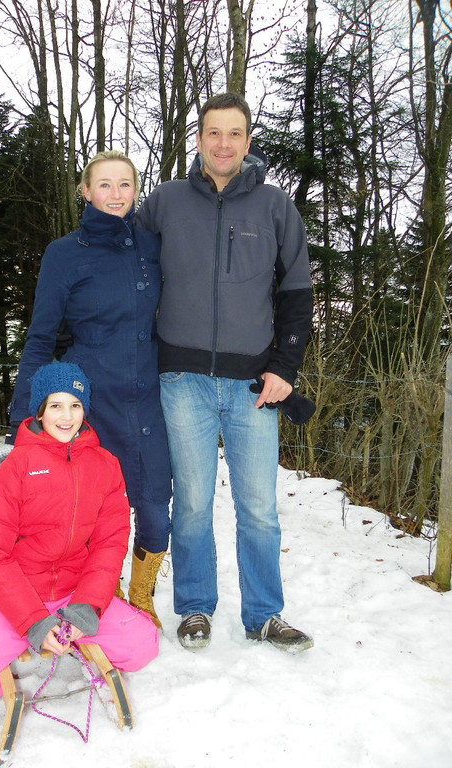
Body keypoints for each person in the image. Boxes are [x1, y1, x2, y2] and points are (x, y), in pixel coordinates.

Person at [136, 92, 314, 652]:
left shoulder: (275, 206)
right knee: (191, 503)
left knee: (258, 507)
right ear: (199, 139)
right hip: (181, 381)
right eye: (213, 132)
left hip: (253, 386)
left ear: (248, 140)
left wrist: (286, 367)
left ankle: (264, 614)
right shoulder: (164, 202)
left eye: (234, 133)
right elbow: (129, 273)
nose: (223, 144)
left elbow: (297, 292)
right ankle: (194, 608)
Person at [0, 361, 159, 710]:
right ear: (40, 412)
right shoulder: (17, 466)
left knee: (143, 647)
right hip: (15, 596)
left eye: (75, 405)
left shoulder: (105, 465)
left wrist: (87, 605)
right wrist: (32, 620)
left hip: (74, 591)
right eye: (55, 405)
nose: (66, 416)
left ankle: (72, 630)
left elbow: (110, 542)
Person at [3, 151, 172, 627]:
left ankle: (142, 595)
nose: (115, 195)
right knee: (95, 511)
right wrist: (23, 418)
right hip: (92, 405)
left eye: (125, 184)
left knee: (155, 503)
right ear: (85, 191)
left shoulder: (153, 245)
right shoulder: (64, 253)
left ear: (136, 189)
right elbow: (42, 337)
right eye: (104, 185)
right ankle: (103, 594)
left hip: (150, 398)